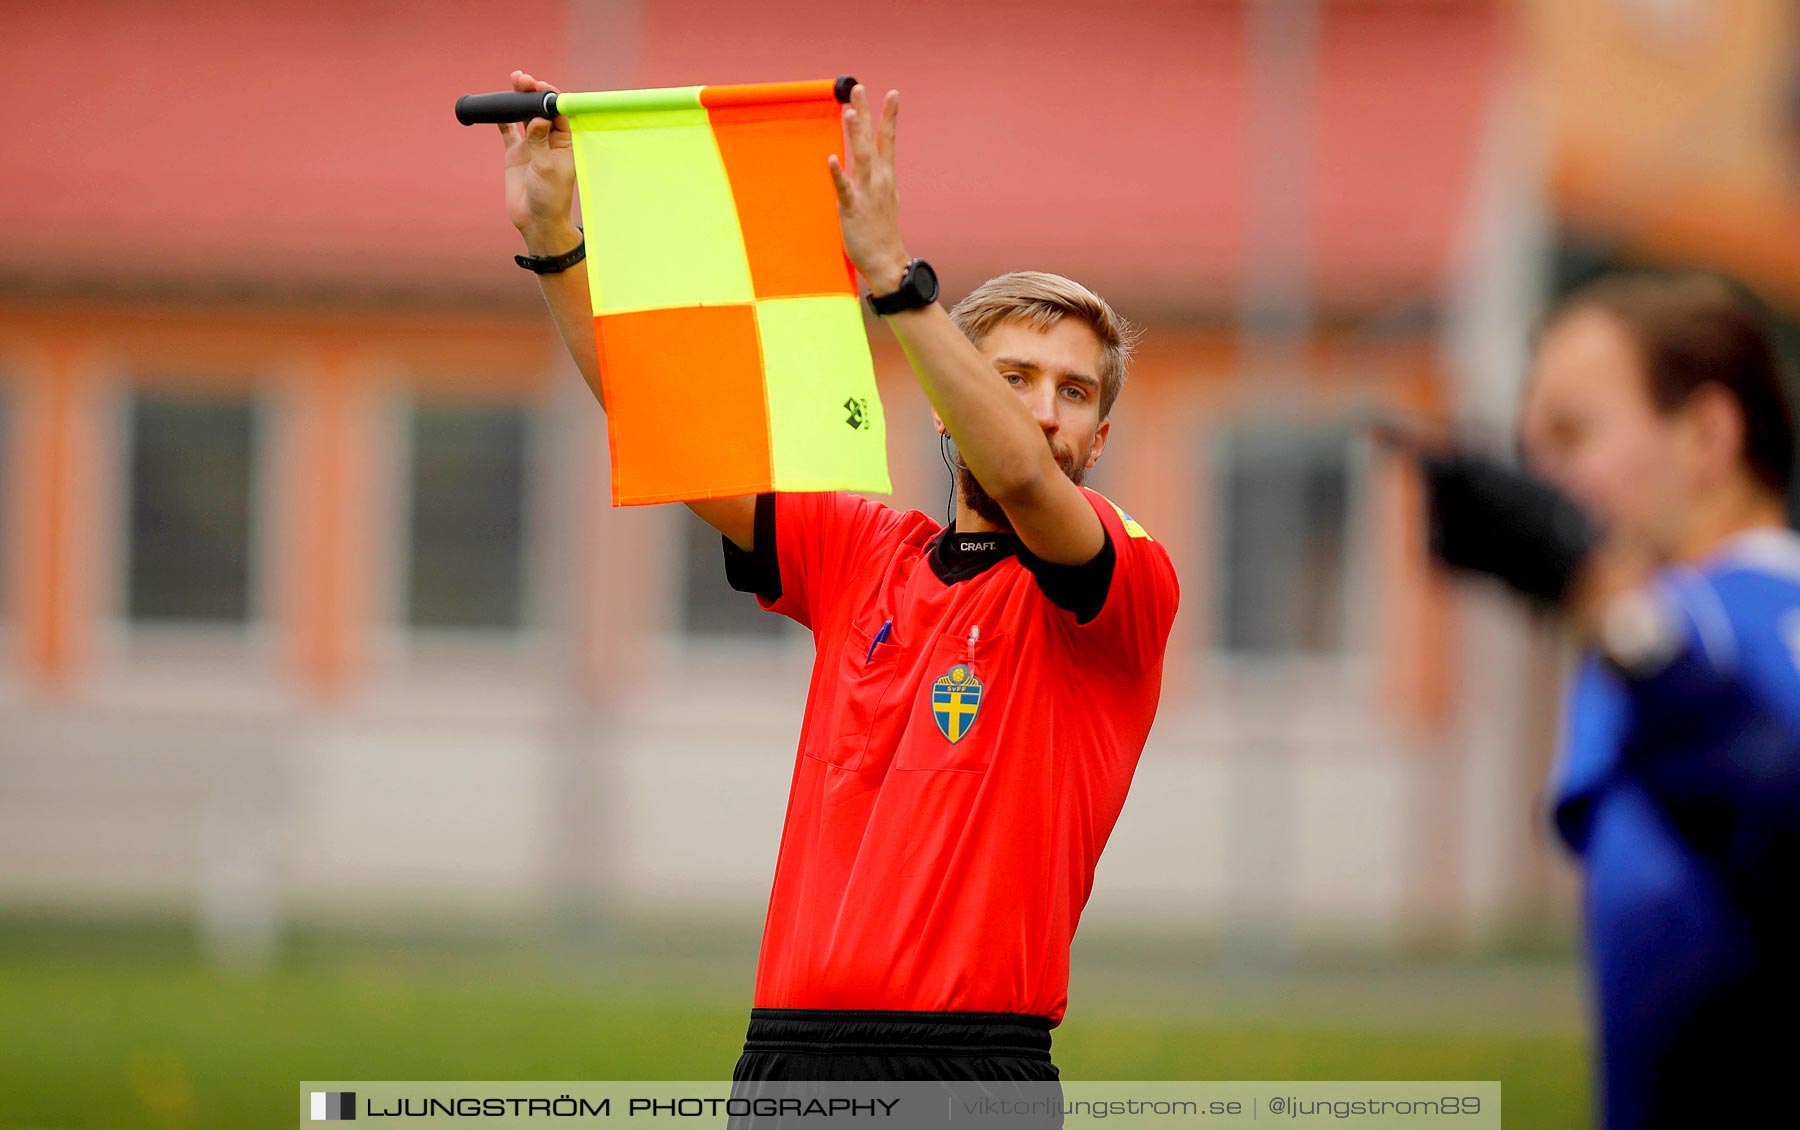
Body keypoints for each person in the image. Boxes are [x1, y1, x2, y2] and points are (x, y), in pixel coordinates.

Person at [495, 69, 1179, 1093]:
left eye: (1073, 391)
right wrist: (554, 242)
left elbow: (1030, 480)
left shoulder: (1121, 580)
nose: (1044, 411)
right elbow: (674, 430)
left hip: (965, 1071)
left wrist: (895, 277)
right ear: (945, 408)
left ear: (1101, 433)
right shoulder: (865, 552)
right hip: (784, 1058)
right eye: (1012, 379)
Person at [1390, 271, 1800, 1129]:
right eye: (1528, 450)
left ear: (1708, 436)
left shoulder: (1685, 628)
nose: (1541, 481)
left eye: (1571, 438)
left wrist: (1607, 602)